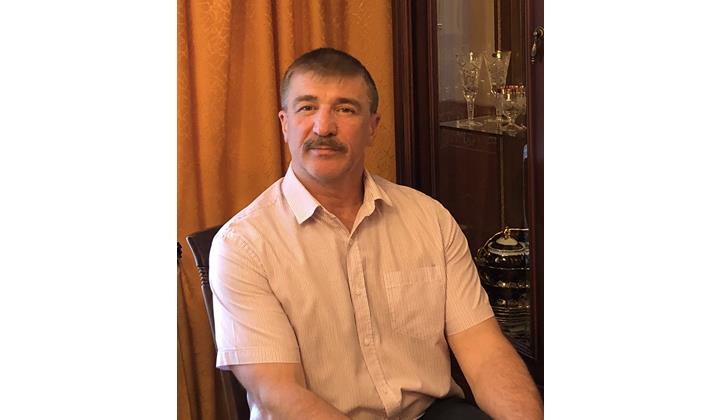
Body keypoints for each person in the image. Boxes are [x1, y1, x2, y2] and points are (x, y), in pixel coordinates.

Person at [209, 47, 543, 420]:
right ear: (285, 123)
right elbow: (279, 393)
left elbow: (484, 352)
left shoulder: (429, 218)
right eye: (307, 107)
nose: (323, 127)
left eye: (345, 109)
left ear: (372, 126)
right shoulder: (242, 246)